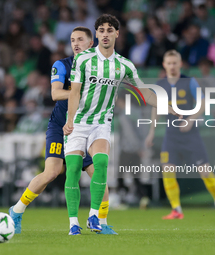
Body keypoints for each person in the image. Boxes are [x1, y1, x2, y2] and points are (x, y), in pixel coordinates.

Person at [63, 14, 179, 235]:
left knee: (102, 163)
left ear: (117, 33)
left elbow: (143, 92)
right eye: (101, 30)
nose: (105, 34)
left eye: (110, 30)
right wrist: (69, 120)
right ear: (96, 34)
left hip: (101, 123)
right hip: (78, 122)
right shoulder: (83, 59)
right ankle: (73, 224)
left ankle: (93, 217)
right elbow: (74, 92)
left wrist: (166, 105)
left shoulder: (124, 65)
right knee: (74, 171)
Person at [9, 26, 117, 235]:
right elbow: (55, 94)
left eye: (80, 40)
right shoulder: (62, 65)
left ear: (91, 43)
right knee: (52, 172)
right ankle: (17, 210)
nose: (75, 44)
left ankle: (101, 223)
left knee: (99, 175)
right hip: (61, 127)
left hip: (87, 127)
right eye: (72, 40)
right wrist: (80, 92)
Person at [145, 50, 215, 220]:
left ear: (180, 64)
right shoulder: (160, 85)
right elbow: (155, 108)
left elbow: (202, 103)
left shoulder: (189, 81)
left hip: (191, 134)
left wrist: (191, 119)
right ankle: (176, 209)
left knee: (205, 171)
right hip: (171, 134)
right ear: (164, 65)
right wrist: (151, 131)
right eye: (168, 63)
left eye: (174, 63)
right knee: (168, 170)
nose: (171, 66)